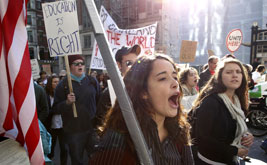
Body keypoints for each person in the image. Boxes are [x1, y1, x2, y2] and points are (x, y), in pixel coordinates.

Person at [90, 54, 194, 164]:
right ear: (143, 92)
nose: (175, 83)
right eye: (163, 78)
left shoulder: (180, 130)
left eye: (175, 77)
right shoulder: (120, 137)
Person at [192, 58, 254, 165]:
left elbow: (236, 125)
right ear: (219, 76)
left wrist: (247, 135)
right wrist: (235, 151)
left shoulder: (238, 100)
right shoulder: (210, 102)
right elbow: (203, 138)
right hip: (210, 162)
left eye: (238, 72)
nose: (235, 75)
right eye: (229, 72)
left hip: (231, 160)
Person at [53, 55, 100, 164]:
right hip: (74, 131)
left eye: (82, 63)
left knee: (96, 158)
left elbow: (99, 100)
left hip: (91, 128)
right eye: (76, 63)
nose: (80, 65)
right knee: (77, 160)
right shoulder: (62, 85)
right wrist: (67, 103)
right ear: (70, 67)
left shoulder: (92, 81)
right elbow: (55, 108)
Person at [95, 44, 141, 127]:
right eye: (129, 63)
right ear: (119, 65)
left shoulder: (146, 89)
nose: (134, 67)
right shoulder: (110, 92)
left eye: (137, 63)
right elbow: (99, 124)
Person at [45, 75, 67, 164]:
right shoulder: (46, 95)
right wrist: (55, 110)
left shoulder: (64, 94)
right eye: (54, 82)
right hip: (51, 126)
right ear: (50, 83)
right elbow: (45, 111)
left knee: (64, 149)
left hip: (63, 126)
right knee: (50, 149)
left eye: (58, 82)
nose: (57, 84)